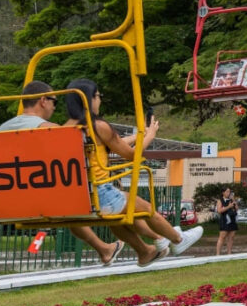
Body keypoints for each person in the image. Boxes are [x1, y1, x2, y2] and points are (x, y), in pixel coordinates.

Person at [63, 79, 204, 267]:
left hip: (78, 197)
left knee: (118, 220)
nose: (100, 101)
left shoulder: (64, 129)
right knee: (147, 209)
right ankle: (178, 240)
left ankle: (146, 251)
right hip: (100, 193)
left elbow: (112, 145)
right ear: (89, 99)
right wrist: (151, 137)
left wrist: (141, 136)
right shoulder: (98, 126)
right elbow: (131, 155)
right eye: (98, 96)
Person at [0, 81, 125, 267]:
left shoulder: (1, 130)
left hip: (13, 200)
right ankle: (155, 241)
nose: (55, 108)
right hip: (49, 196)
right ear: (43, 101)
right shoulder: (51, 130)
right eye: (54, 102)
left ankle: (105, 249)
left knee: (69, 204)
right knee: (81, 197)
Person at [215, 187, 239, 255]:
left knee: (231, 237)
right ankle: (218, 254)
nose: (229, 193)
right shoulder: (220, 200)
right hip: (224, 220)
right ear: (223, 192)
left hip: (232, 219)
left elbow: (237, 208)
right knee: (222, 237)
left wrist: (234, 200)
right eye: (227, 191)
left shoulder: (231, 200)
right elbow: (219, 211)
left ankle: (229, 253)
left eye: (229, 192)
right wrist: (228, 207)